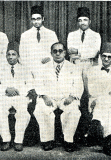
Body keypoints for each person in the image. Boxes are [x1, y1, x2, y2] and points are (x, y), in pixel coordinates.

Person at [34, 42, 83, 152]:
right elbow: (38, 83)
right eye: (55, 51)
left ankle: (68, 140)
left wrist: (72, 96)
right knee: (41, 109)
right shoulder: (43, 67)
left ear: (65, 53)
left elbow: (79, 84)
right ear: (51, 53)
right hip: (49, 97)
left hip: (66, 98)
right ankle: (47, 140)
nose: (57, 53)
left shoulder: (73, 67)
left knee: (74, 111)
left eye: (60, 51)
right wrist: (45, 96)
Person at [0, 42, 34, 152]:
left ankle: (18, 140)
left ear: (18, 56)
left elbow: (30, 84)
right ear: (6, 56)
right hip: (4, 96)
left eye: (13, 54)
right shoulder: (0, 69)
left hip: (20, 96)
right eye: (8, 54)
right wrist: (5, 90)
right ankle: (6, 139)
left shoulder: (25, 69)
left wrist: (18, 91)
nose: (11, 57)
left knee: (23, 113)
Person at [67, 7, 101, 144]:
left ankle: (88, 132)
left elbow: (94, 52)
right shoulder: (72, 35)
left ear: (90, 21)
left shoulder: (95, 35)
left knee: (88, 97)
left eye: (85, 20)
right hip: (75, 67)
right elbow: (70, 51)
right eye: (80, 20)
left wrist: (78, 52)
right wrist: (81, 52)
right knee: (76, 96)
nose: (82, 22)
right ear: (77, 22)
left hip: (89, 67)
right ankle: (74, 133)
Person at [86, 42, 111, 156]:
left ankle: (96, 124)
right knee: (105, 105)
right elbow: (92, 90)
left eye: (109, 57)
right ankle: (108, 140)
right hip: (95, 101)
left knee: (106, 106)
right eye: (104, 56)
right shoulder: (92, 70)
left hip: (104, 102)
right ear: (100, 56)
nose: (106, 59)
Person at [19, 5, 58, 74]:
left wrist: (50, 58)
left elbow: (57, 51)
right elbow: (22, 55)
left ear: (43, 19)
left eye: (38, 19)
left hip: (48, 69)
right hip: (31, 70)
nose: (36, 21)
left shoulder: (51, 34)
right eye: (34, 19)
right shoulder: (25, 35)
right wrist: (28, 70)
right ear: (31, 20)